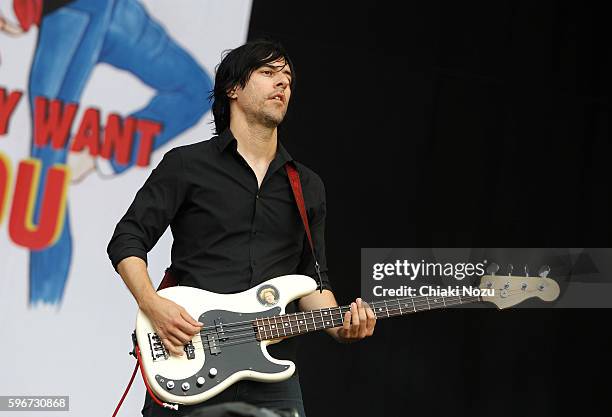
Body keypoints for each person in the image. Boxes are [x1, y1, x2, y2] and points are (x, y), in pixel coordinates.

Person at [107, 39, 376, 417]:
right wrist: (154, 305)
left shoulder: (306, 186)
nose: (282, 83)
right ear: (233, 88)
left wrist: (342, 325)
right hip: (189, 353)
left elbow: (313, 280)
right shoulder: (187, 165)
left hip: (272, 374)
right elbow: (127, 240)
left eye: (287, 78)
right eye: (268, 74)